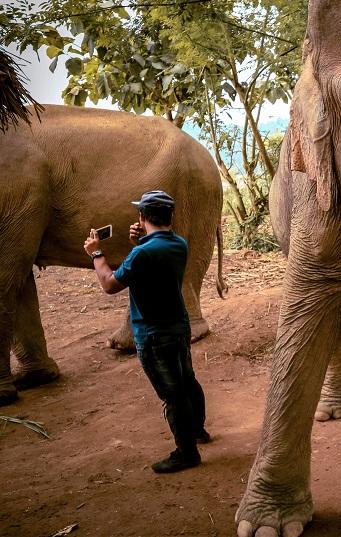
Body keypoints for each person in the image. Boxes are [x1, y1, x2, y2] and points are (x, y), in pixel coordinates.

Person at [83, 189, 210, 474]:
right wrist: (138, 242)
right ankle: (198, 431)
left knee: (172, 394)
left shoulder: (142, 253)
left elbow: (110, 284)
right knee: (187, 381)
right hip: (178, 328)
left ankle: (186, 452)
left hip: (152, 335)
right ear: (171, 216)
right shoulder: (178, 244)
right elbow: (151, 262)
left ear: (142, 217)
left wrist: (97, 253)